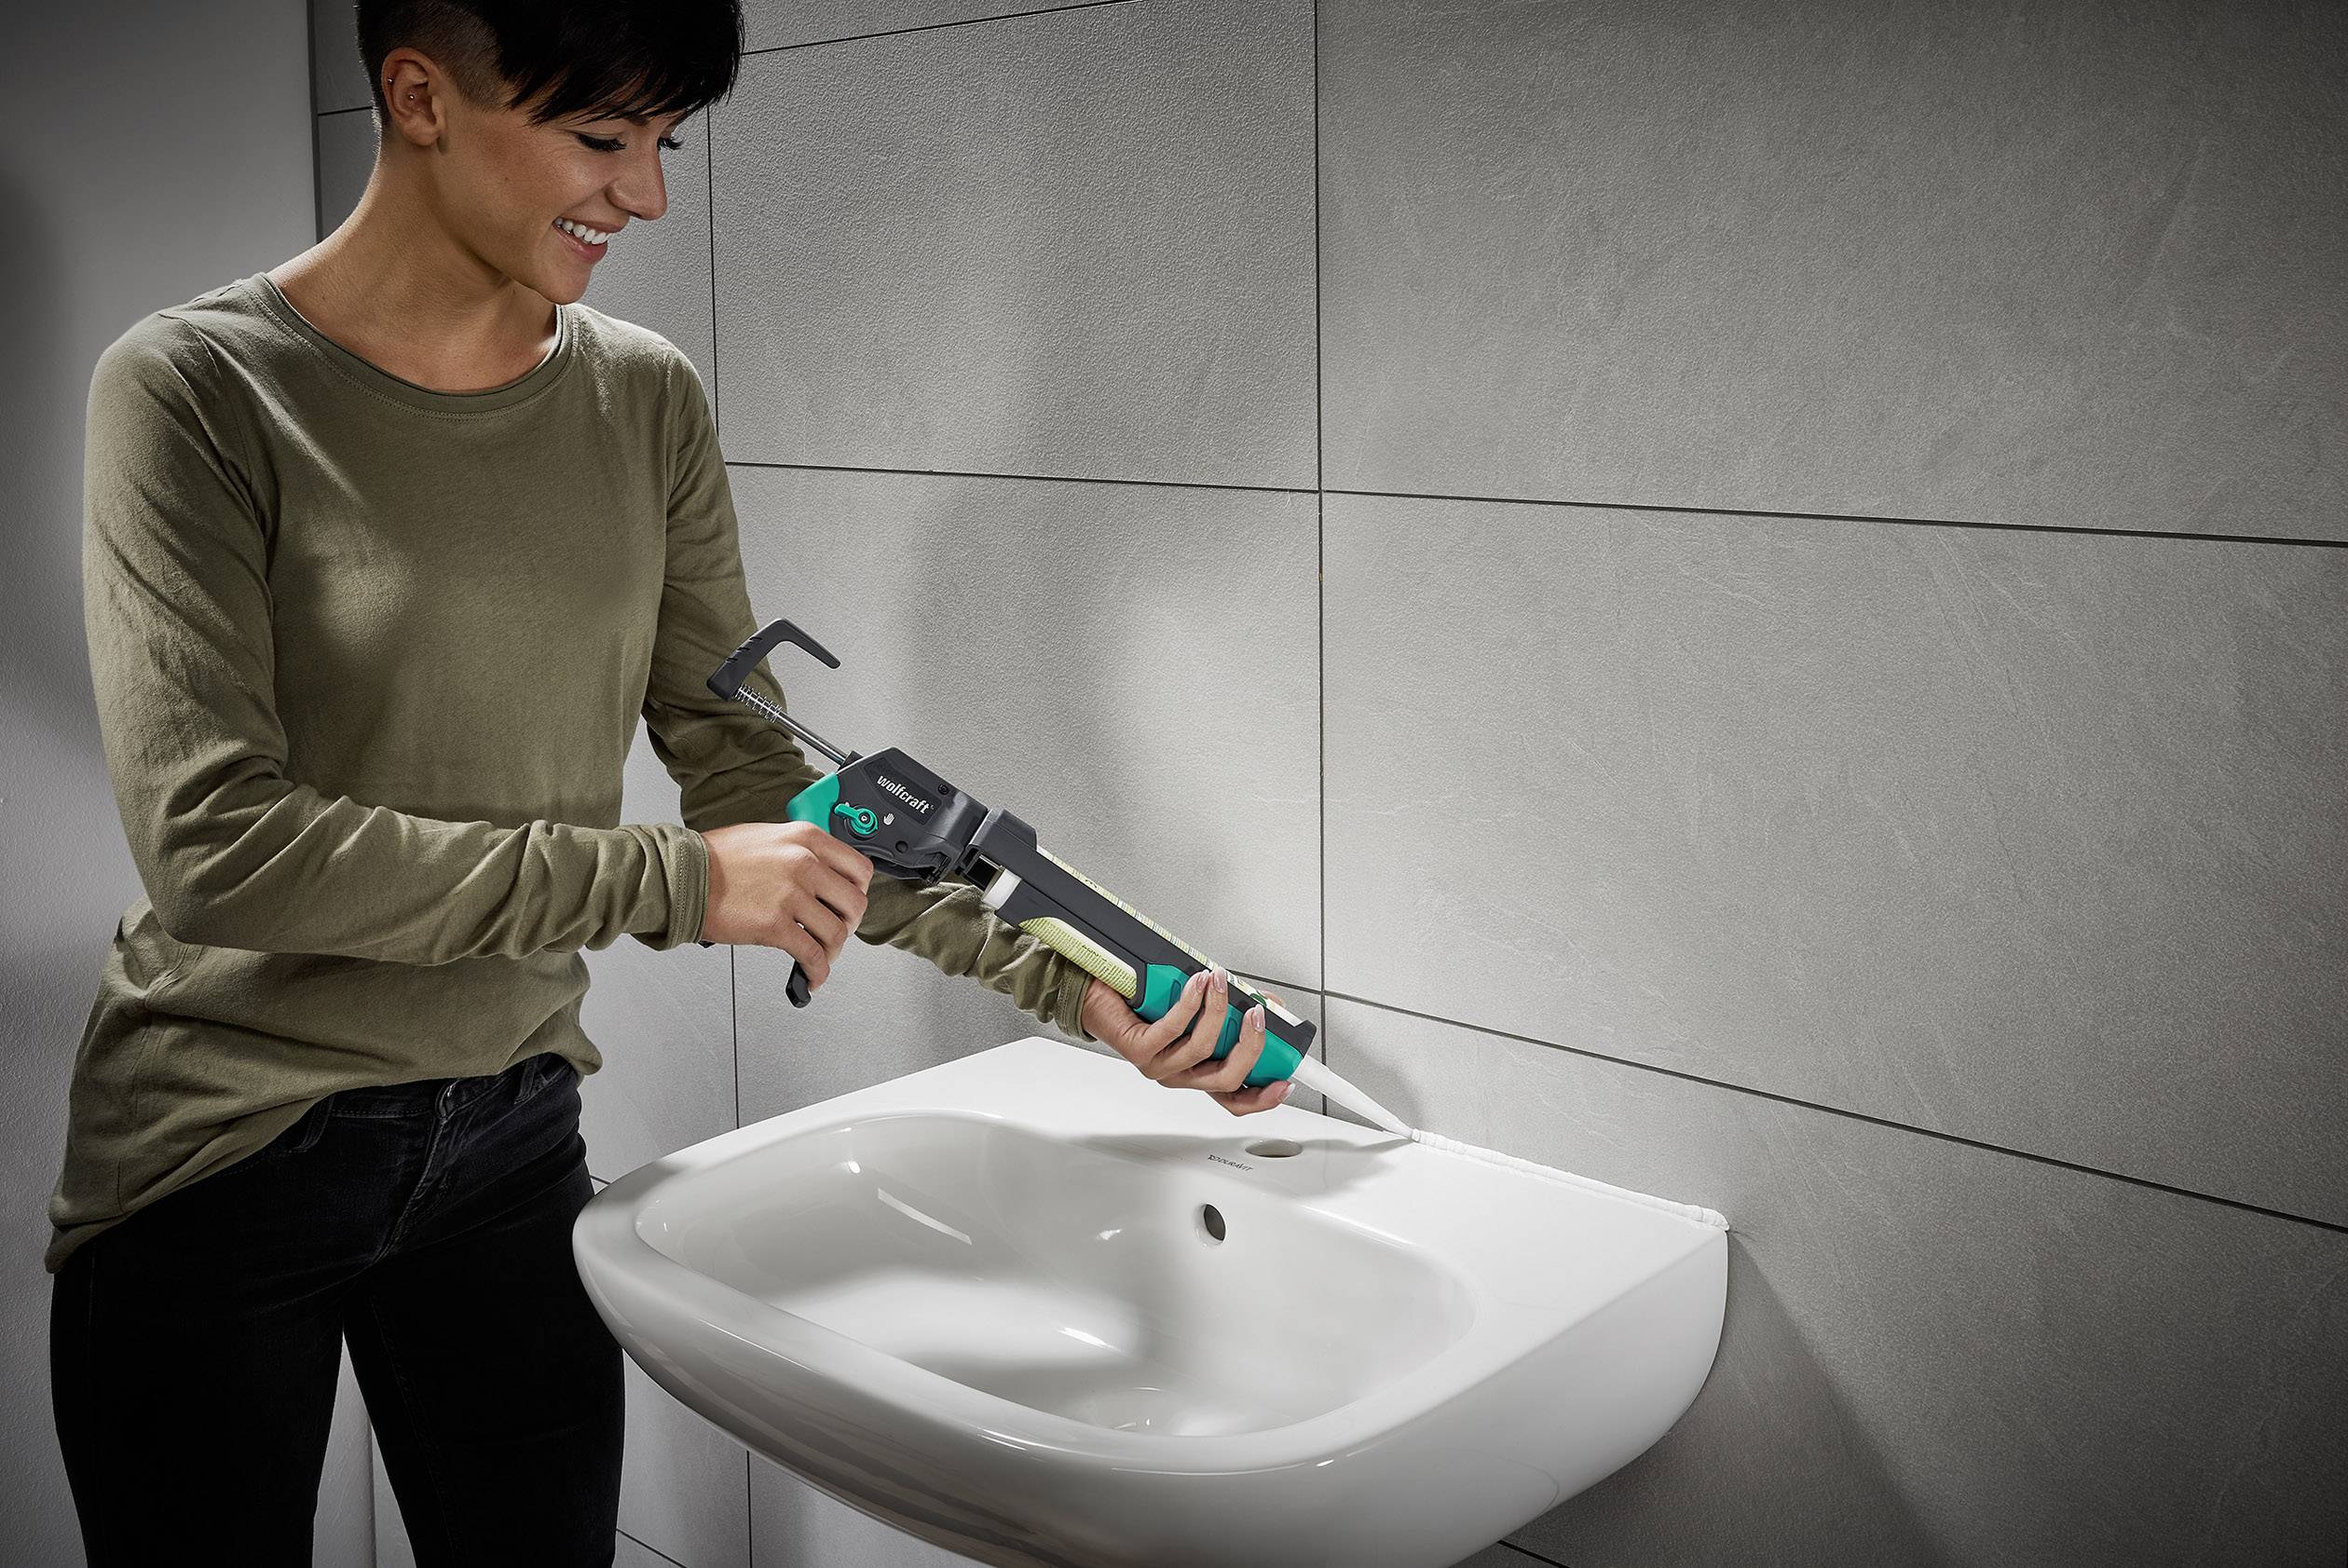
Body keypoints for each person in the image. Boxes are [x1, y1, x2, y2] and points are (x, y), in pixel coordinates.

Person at [47, 1, 1291, 1562]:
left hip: (505, 1142)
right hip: (222, 1159)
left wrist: (1083, 979)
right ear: (419, 95)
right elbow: (221, 852)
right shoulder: (197, 391)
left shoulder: (642, 399)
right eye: (598, 136)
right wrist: (682, 886)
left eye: (663, 144)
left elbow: (753, 774)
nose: (642, 195)